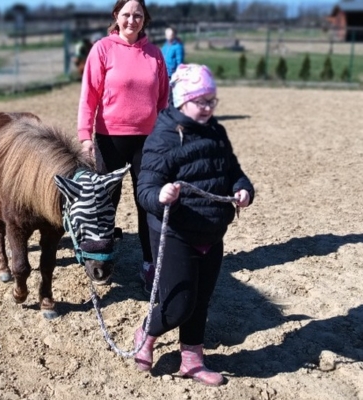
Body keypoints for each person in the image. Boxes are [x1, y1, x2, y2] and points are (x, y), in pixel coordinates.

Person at [134, 64, 254, 385]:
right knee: (178, 305)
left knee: (200, 301)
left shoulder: (216, 131)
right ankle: (146, 332)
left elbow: (233, 171)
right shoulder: (165, 136)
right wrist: (160, 193)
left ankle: (192, 360)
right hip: (175, 233)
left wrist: (243, 189)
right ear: (182, 100)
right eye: (201, 101)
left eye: (212, 101)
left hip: (212, 232)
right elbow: (144, 187)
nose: (208, 108)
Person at [77, 0, 169, 292]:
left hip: (148, 141)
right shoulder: (102, 49)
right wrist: (84, 136)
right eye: (127, 14)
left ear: (145, 19)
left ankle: (149, 264)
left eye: (138, 15)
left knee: (148, 204)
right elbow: (88, 96)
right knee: (106, 203)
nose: (132, 20)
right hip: (110, 139)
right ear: (116, 16)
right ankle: (103, 258)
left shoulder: (155, 55)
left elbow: (164, 100)